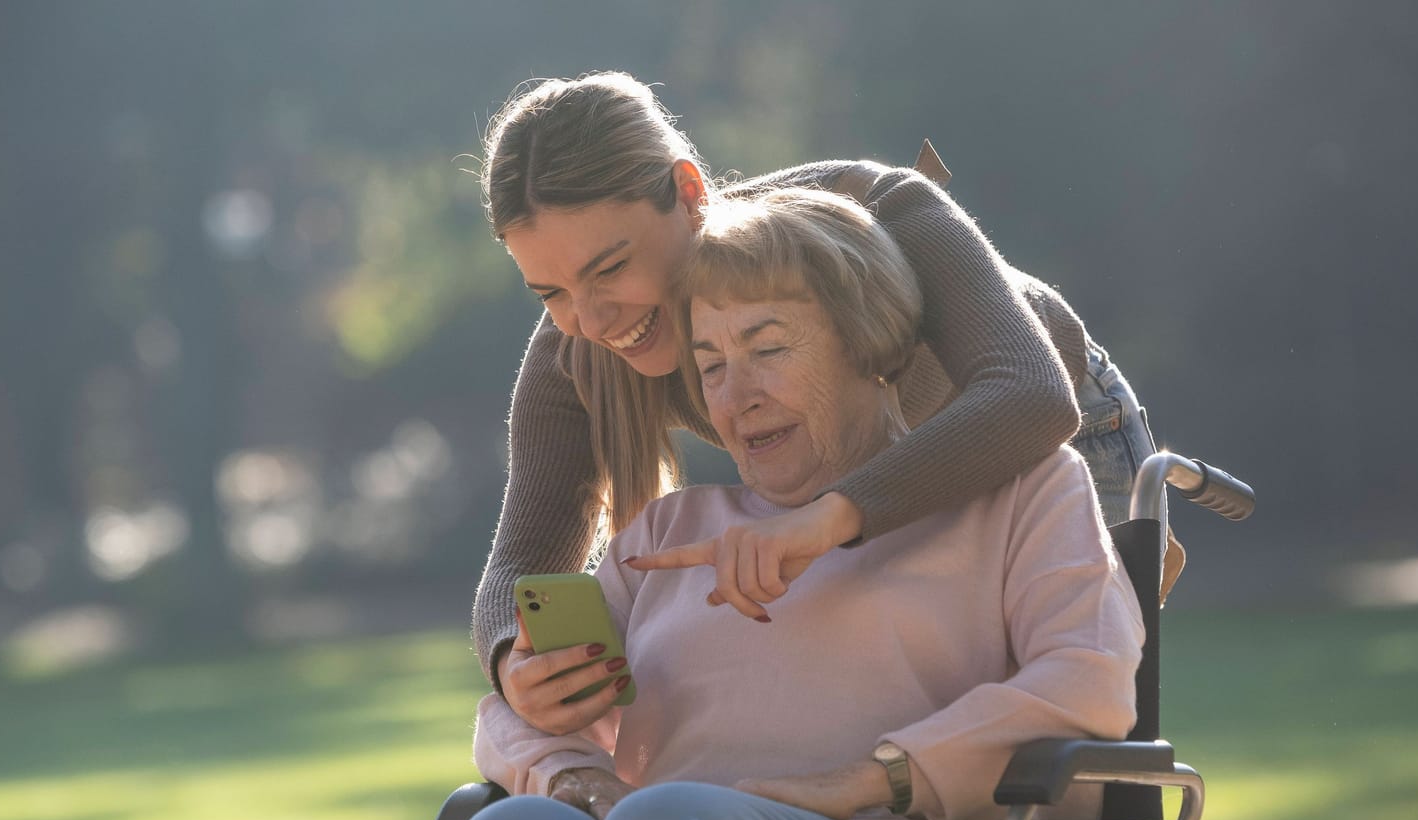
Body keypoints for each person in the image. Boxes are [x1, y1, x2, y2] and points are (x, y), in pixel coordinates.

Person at [406, 189, 1144, 820]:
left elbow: (1089, 681)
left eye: (768, 349)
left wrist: (869, 778)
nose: (737, 396)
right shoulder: (666, 536)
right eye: (711, 364)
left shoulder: (1023, 492)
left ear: (870, 346)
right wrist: (577, 775)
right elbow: (511, 720)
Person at [474, 72, 1169, 739]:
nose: (591, 321)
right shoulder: (577, 353)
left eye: (609, 268)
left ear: (687, 191)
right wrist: (516, 660)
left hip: (1059, 438)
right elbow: (518, 565)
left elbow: (1031, 397)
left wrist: (826, 517)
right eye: (551, 293)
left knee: (1066, 737)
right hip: (866, 486)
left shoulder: (869, 205)